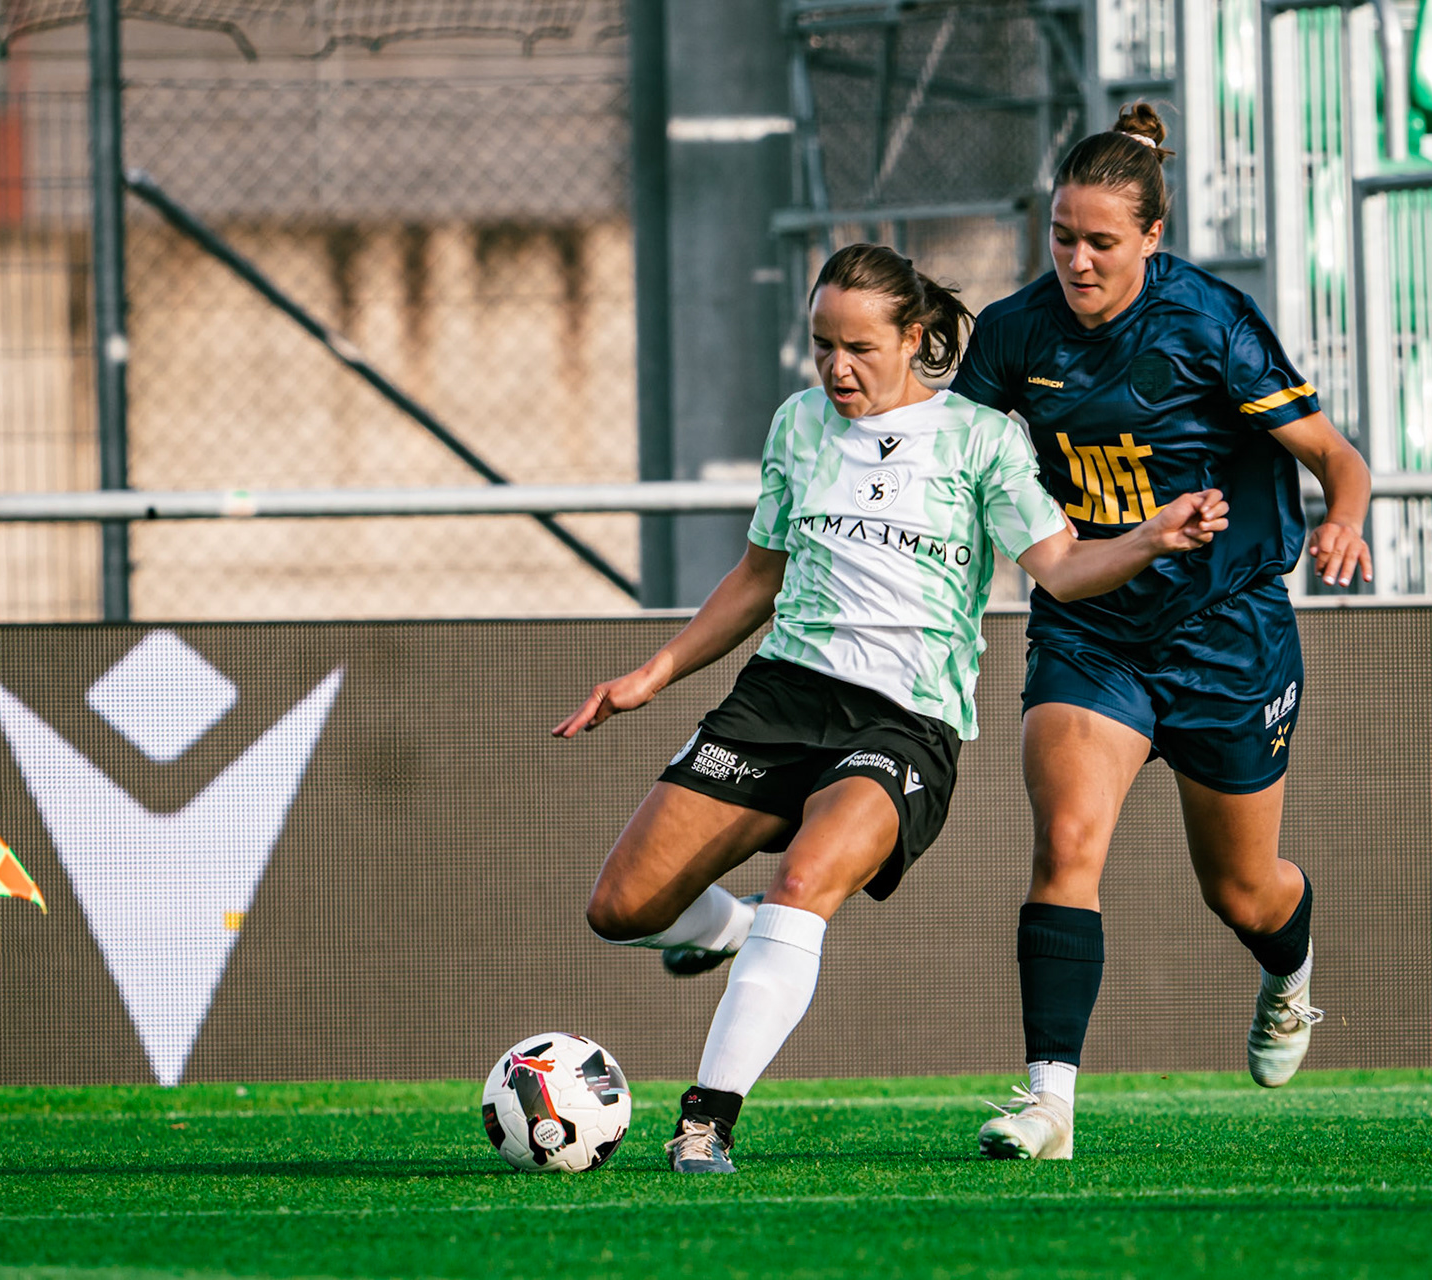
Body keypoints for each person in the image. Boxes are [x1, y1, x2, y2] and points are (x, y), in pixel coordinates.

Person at [553, 242, 1229, 1175]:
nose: (836, 366)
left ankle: (705, 1121)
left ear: (915, 338)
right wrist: (651, 676)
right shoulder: (797, 425)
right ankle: (733, 929)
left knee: (806, 883)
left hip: (903, 722)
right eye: (822, 343)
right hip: (781, 695)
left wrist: (1153, 538)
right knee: (620, 908)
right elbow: (759, 577)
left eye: (859, 347)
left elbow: (1063, 570)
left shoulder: (981, 439)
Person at [952, 103, 1374, 1161]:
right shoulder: (1016, 332)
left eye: (1102, 241)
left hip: (1227, 631)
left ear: (1153, 235)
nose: (1078, 260)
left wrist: (1345, 523)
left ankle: (1289, 973)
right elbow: (952, 456)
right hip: (1092, 624)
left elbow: (1337, 457)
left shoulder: (1214, 325)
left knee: (1243, 888)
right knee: (1068, 842)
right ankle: (1049, 1100)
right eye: (1062, 236)